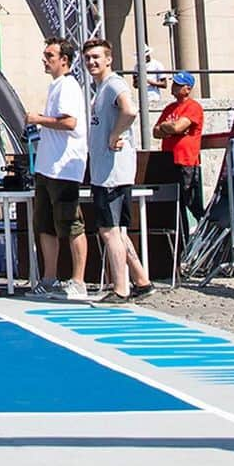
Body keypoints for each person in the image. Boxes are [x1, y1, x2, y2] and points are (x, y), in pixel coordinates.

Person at [82, 38, 147, 303]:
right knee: (117, 230)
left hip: (112, 172)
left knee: (109, 231)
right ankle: (141, 280)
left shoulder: (113, 85)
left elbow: (130, 110)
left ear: (109, 59)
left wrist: (115, 134)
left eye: (97, 57)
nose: (91, 62)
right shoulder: (100, 89)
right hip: (103, 170)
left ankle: (121, 288)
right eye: (88, 58)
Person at [25, 38, 89, 301]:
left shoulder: (69, 86)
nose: (45, 59)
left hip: (64, 168)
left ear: (64, 59)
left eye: (50, 55)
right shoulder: (55, 87)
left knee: (71, 224)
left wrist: (39, 119)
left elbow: (70, 122)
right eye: (45, 54)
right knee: (45, 225)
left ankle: (78, 280)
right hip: (47, 166)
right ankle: (49, 278)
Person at [153, 71, 205, 236]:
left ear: (188, 88)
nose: (174, 87)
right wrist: (170, 127)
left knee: (189, 201)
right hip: (168, 160)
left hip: (186, 161)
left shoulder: (193, 107)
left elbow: (178, 127)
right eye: (174, 83)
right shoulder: (169, 108)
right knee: (173, 203)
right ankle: (181, 237)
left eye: (178, 84)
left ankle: (198, 234)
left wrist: (169, 127)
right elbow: (156, 131)